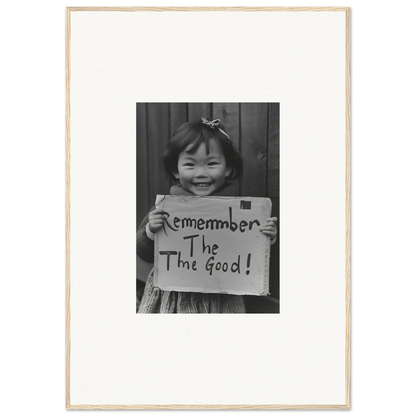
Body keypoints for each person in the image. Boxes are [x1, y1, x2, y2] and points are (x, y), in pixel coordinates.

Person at [137, 117, 277, 313]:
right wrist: (151, 230)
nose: (201, 173)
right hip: (175, 297)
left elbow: (249, 251)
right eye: (190, 165)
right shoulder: (165, 210)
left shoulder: (240, 214)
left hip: (222, 296)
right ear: (176, 171)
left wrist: (265, 236)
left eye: (211, 163)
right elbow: (143, 252)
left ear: (227, 168)